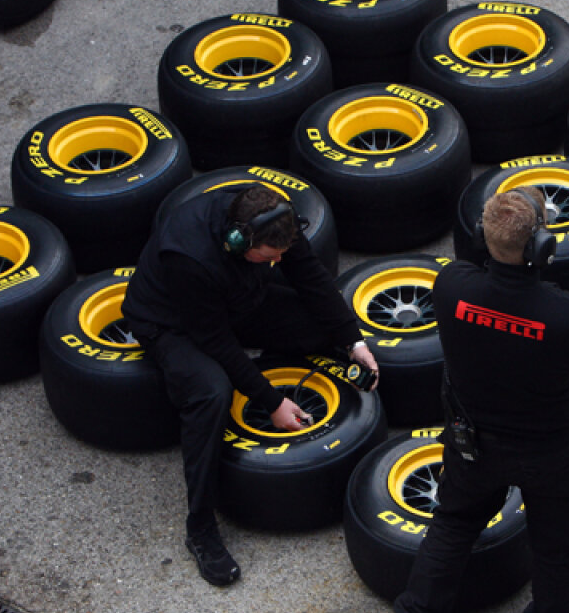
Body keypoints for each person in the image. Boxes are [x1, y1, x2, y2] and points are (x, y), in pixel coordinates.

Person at [122, 184, 379, 585]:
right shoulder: (188, 257)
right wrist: (269, 399)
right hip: (171, 323)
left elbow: (309, 275)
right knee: (212, 392)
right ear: (239, 240)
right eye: (271, 255)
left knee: (319, 327)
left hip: (233, 295)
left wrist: (353, 340)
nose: (279, 260)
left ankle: (281, 366)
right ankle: (200, 529)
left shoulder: (274, 221)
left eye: (281, 252)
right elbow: (215, 341)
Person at [385, 188, 569, 613]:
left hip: (473, 445)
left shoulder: (450, 287)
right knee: (556, 547)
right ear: (543, 245)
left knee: (453, 524)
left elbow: (471, 272)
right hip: (548, 452)